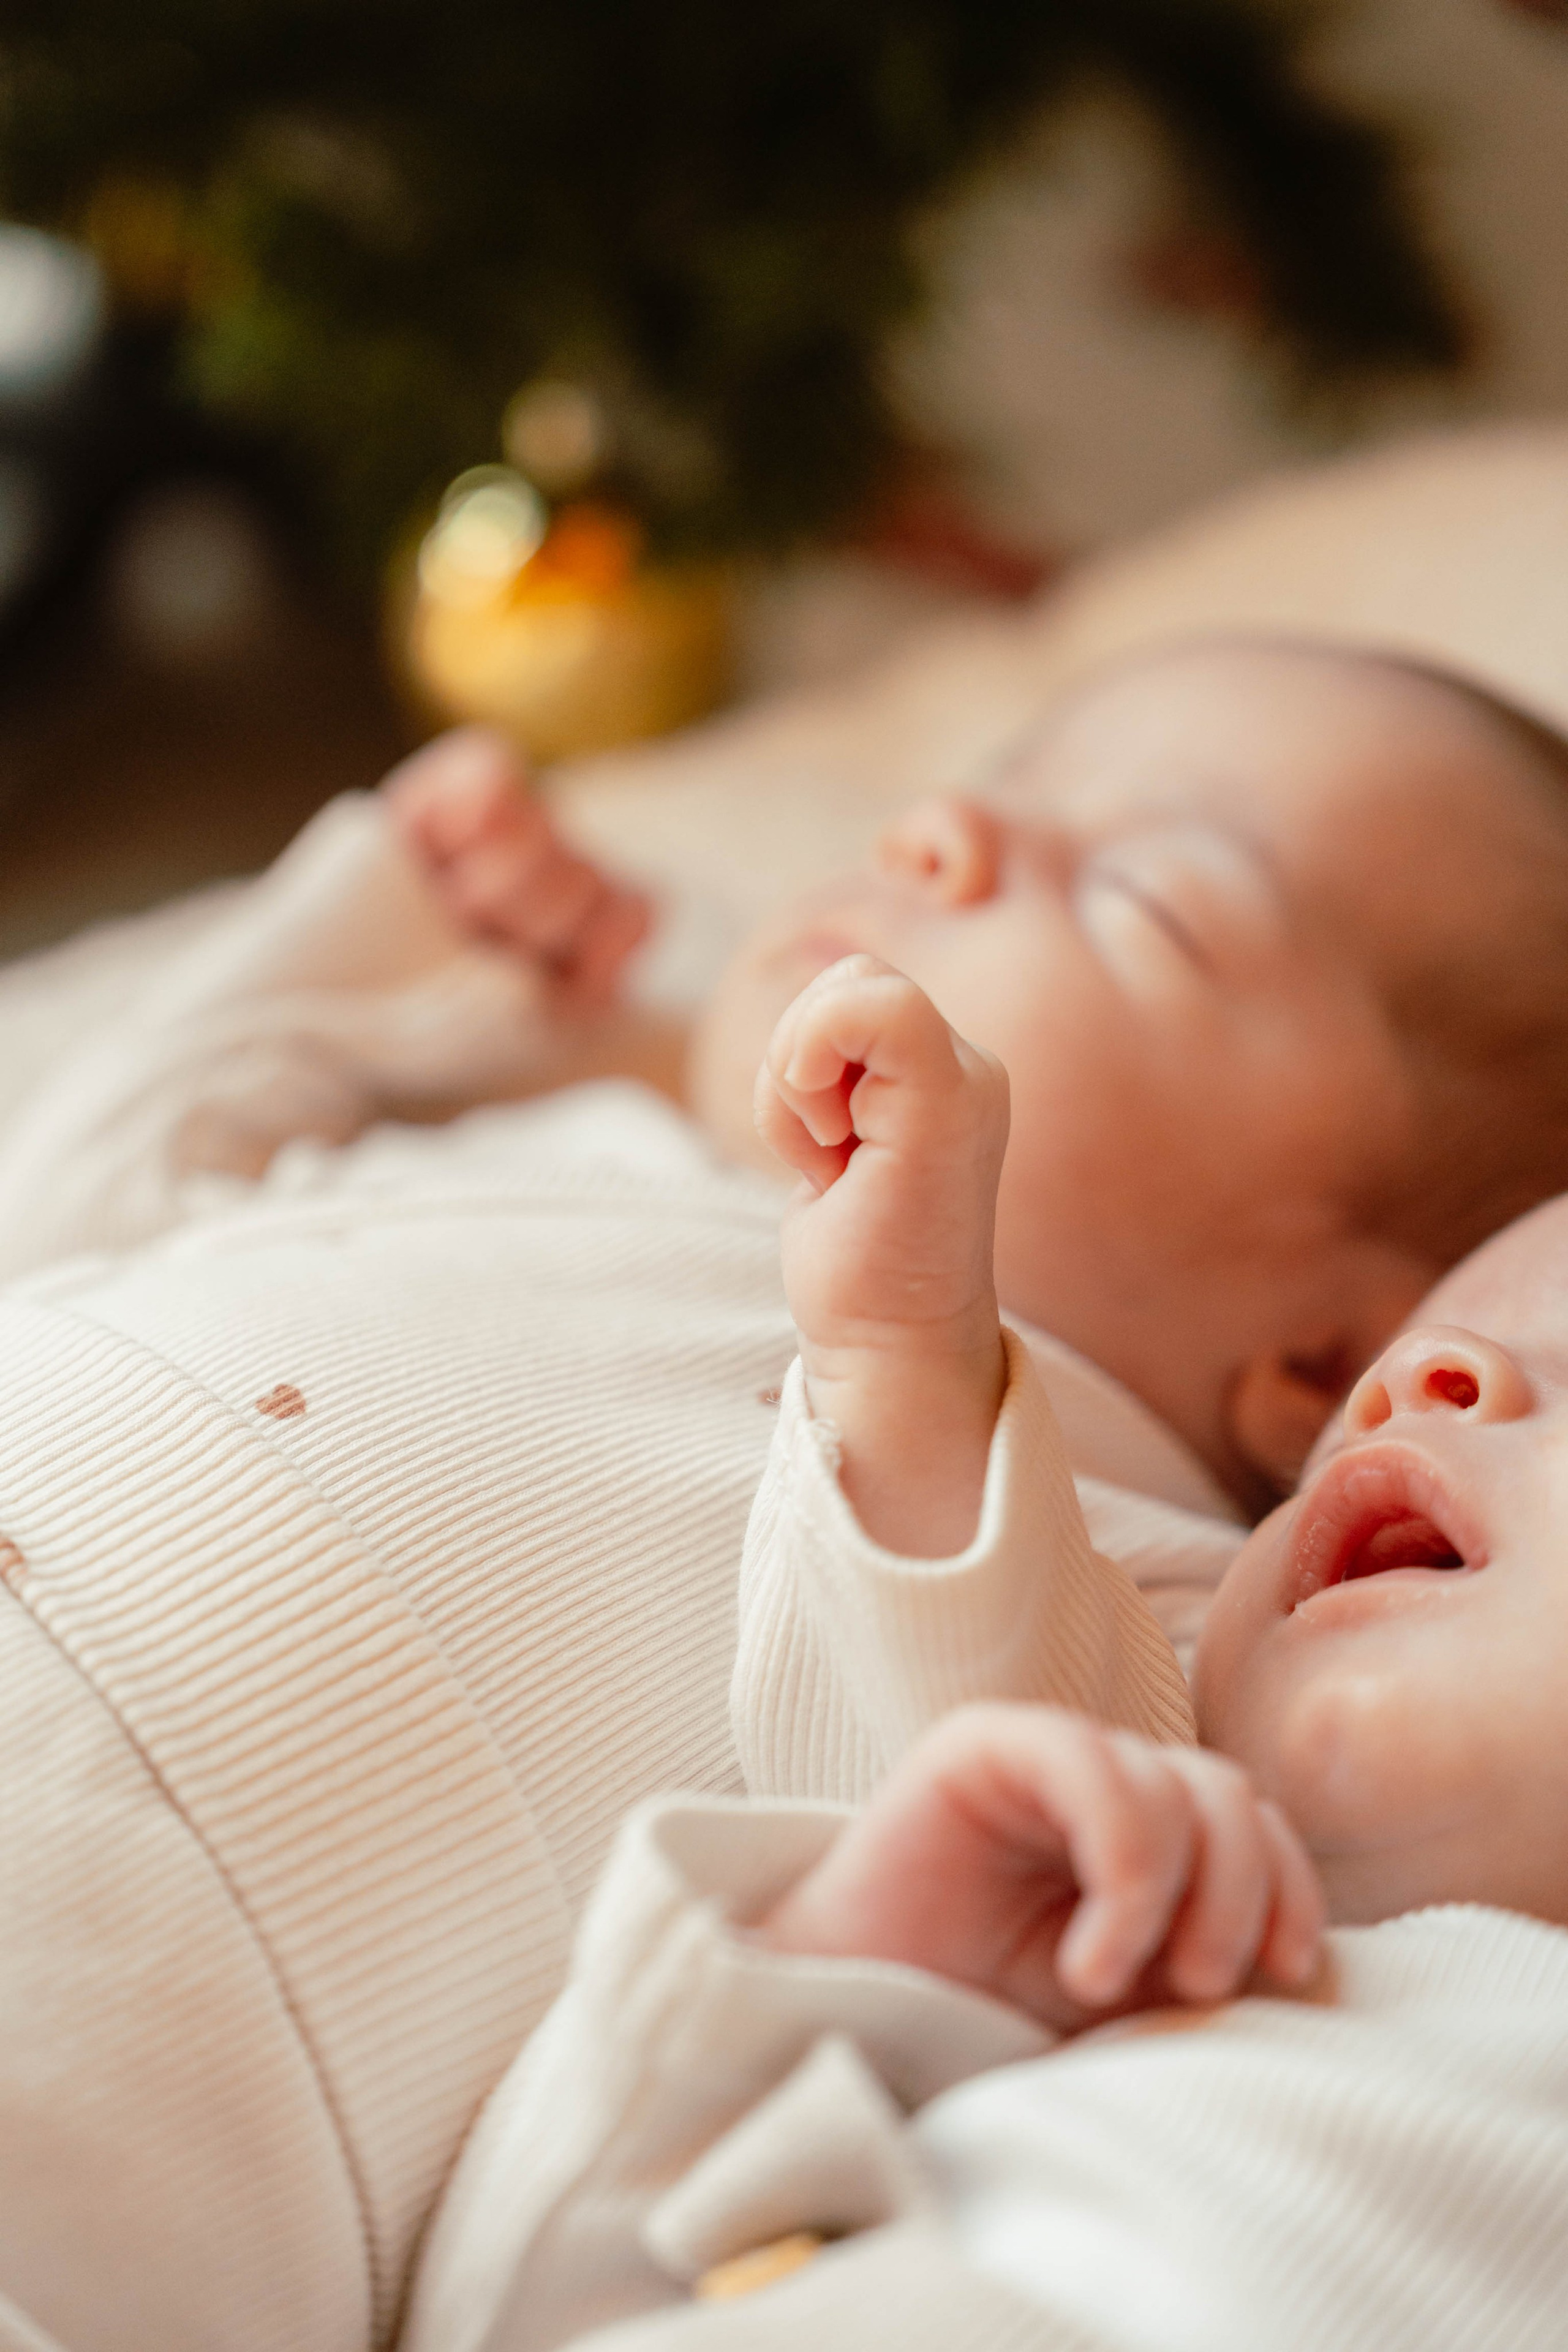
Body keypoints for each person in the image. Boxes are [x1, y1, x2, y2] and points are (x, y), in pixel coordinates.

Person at [1, 635, 1568, 2346]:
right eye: (998, 783)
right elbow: (73, 1212)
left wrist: (909, 1367)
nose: (941, 832)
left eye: (1143, 901)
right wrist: (400, 957)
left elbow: (948, 1832)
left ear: (1318, 1368)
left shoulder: (1136, 1602)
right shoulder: (581, 1142)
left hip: (112, 2096)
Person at [401, 1192, 1568, 2352]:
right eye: (1386, 1374)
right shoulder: (1122, 1973)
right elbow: (500, 2319)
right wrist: (834, 1971)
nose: (1421, 1373)